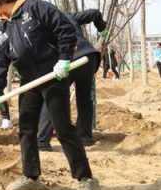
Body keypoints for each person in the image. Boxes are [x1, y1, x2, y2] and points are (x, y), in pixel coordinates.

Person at [0, 0, 97, 190]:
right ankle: (31, 175)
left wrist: (64, 58)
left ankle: (85, 179)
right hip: (28, 82)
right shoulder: (2, 28)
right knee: (26, 128)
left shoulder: (36, 8)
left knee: (63, 128)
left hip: (53, 76)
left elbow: (66, 30)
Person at [37, 9, 108, 151]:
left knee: (53, 97)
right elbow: (94, 13)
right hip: (88, 57)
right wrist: (102, 28)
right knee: (84, 98)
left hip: (69, 58)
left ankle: (42, 140)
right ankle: (85, 136)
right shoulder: (67, 15)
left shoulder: (40, 25)